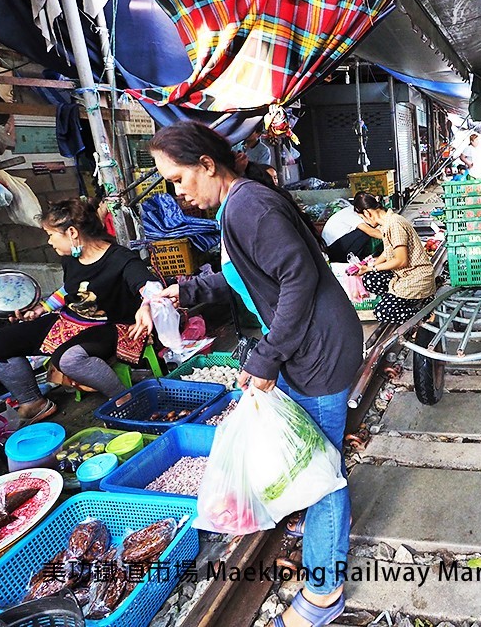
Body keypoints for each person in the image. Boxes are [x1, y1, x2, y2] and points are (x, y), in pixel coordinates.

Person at [148, 121, 360, 626]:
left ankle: (327, 595)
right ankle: (317, 551)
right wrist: (187, 291)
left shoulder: (247, 205)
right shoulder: (237, 204)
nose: (178, 193)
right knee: (312, 458)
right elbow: (247, 273)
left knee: (323, 473)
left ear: (206, 165)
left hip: (319, 351)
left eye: (179, 179)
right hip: (308, 346)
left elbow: (297, 277)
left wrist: (266, 358)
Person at [0, 199, 156, 423]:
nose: (49, 241)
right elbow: (70, 289)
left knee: (69, 359)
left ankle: (125, 399)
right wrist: (41, 309)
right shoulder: (70, 259)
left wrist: (147, 304)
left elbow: (150, 287)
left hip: (112, 326)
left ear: (72, 232)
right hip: (70, 320)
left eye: (52, 234)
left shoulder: (121, 259)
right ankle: (32, 402)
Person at [352, 192, 437, 323]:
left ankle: (425, 314)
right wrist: (367, 268)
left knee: (383, 312)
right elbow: (388, 252)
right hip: (404, 276)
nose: (365, 221)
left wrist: (373, 268)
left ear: (367, 213)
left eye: (362, 217)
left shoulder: (394, 224)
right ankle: (400, 300)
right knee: (370, 279)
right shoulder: (387, 224)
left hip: (417, 278)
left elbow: (401, 261)